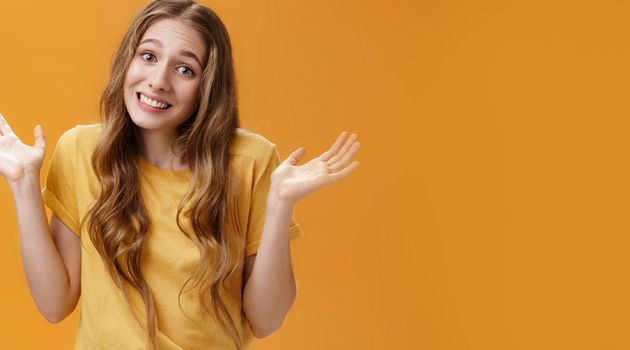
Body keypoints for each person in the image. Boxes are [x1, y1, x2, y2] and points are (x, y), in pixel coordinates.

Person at [0, 0, 360, 349]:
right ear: (128, 60)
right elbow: (54, 305)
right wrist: (22, 185)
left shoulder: (250, 161)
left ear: (208, 86)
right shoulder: (82, 150)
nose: (158, 81)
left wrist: (280, 204)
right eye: (149, 56)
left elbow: (266, 320)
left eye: (184, 69)